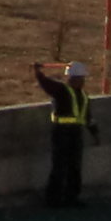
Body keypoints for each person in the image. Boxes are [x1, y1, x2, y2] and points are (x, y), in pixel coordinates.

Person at [33, 60, 92, 207]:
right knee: (60, 166)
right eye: (80, 78)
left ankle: (71, 198)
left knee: (74, 167)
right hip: (61, 133)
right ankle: (53, 199)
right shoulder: (62, 91)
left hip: (75, 133)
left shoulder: (83, 96)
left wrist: (94, 131)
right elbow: (47, 84)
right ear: (73, 78)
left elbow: (87, 117)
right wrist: (38, 73)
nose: (82, 81)